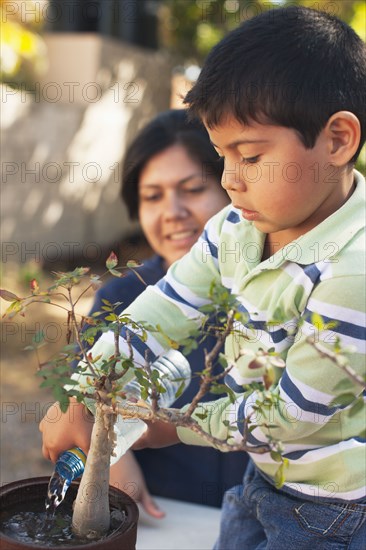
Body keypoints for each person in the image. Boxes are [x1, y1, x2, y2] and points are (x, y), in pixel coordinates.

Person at [40, 6, 366, 548]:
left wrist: (170, 425)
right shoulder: (237, 228)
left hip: (336, 508)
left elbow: (293, 415)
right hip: (263, 475)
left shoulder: (354, 268)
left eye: (251, 155)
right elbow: (165, 308)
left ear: (336, 140)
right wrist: (85, 392)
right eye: (221, 156)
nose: (231, 181)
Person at [60, 109, 247, 517]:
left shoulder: (276, 291)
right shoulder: (122, 298)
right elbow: (79, 407)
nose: (172, 211)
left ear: (234, 187)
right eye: (153, 196)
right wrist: (109, 461)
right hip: (165, 521)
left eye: (193, 188)